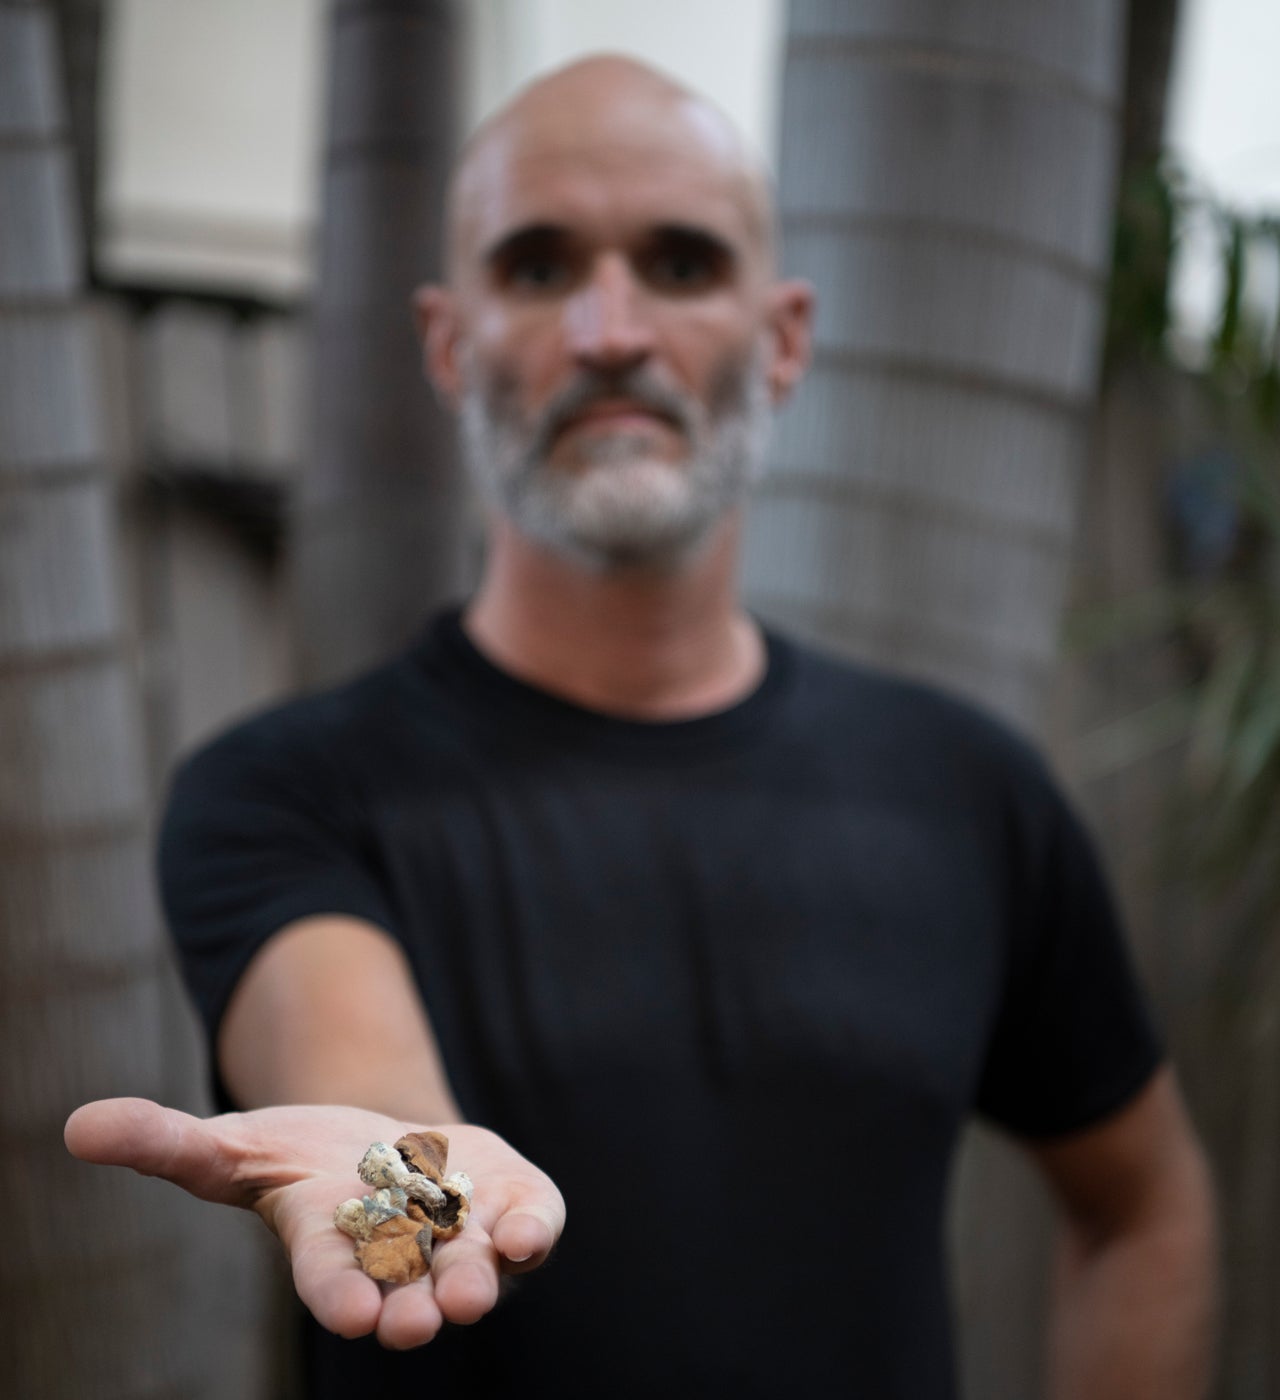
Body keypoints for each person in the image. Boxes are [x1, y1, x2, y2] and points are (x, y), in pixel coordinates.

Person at [66, 55, 1218, 1399]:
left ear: (782, 338)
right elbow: (371, 1086)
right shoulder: (285, 789)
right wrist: (407, 1175)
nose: (610, 329)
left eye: (679, 264)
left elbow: (1143, 1202)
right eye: (541, 267)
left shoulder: (969, 792)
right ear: (449, 341)